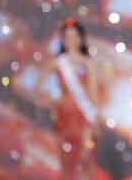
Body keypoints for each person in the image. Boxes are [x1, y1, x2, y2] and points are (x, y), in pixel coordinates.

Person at [36, 19, 99, 179]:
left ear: (80, 39)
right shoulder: (58, 63)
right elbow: (38, 87)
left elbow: (93, 94)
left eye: (74, 36)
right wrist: (54, 102)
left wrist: (95, 117)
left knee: (85, 157)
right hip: (64, 116)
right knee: (66, 158)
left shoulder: (87, 63)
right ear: (63, 40)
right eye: (67, 37)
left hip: (84, 116)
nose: (71, 40)